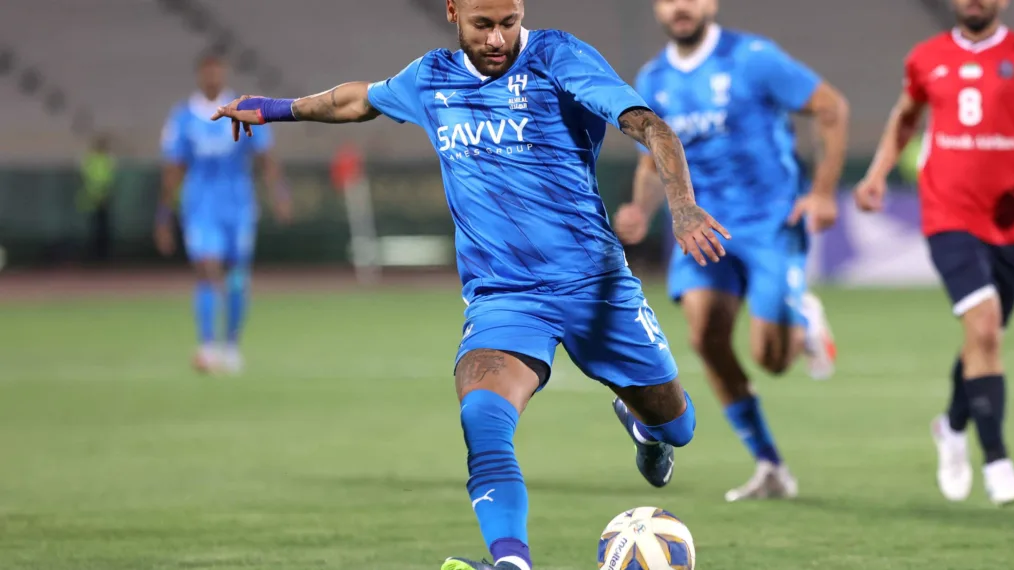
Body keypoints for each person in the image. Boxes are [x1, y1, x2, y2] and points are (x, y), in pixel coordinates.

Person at [211, 1, 728, 568]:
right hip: (505, 297)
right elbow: (356, 100)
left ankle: (648, 430)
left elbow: (650, 125)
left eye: (509, 22)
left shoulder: (559, 57)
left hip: (595, 286)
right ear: (453, 11)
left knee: (678, 426)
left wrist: (682, 206)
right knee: (482, 419)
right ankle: (510, 561)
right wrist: (275, 109)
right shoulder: (430, 78)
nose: (498, 38)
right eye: (483, 25)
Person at [613, 0, 848, 502]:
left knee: (772, 359)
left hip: (770, 225)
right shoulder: (653, 79)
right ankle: (770, 466)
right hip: (702, 229)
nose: (681, 7)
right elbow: (652, 162)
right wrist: (640, 209)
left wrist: (824, 192)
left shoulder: (753, 58)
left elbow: (831, 107)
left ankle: (804, 319)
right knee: (705, 338)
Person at [854, 0, 1014, 506]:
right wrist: (876, 174)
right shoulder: (926, 57)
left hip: (1010, 219)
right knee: (983, 327)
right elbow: (905, 118)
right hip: (948, 215)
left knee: (985, 338)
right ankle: (997, 461)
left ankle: (952, 425)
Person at [155, 50, 292, 375]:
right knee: (206, 268)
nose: (213, 77)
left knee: (236, 278)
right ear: (200, 75)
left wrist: (280, 194)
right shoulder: (183, 117)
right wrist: (163, 215)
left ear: (225, 73)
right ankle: (207, 346)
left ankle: (231, 346)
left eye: (217, 70)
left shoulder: (244, 110)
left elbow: (265, 157)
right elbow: (174, 169)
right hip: (201, 207)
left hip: (238, 206)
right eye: (208, 71)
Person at [77, 134, 118, 264]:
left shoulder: (106, 159)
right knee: (93, 229)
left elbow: (109, 178)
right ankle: (93, 255)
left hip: (103, 199)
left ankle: (102, 255)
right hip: (92, 199)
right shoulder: (92, 159)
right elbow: (87, 177)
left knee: (103, 229)